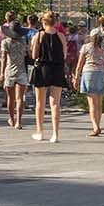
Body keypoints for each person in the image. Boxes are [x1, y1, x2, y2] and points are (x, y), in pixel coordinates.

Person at [29, 9, 72, 142]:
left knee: (40, 102)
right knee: (55, 103)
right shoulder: (61, 36)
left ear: (43, 22)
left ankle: (40, 131)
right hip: (57, 69)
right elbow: (64, 55)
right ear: (55, 22)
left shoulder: (39, 36)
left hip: (42, 69)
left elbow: (34, 55)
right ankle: (55, 134)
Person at [77, 22, 104, 137]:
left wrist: (76, 77)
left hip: (89, 73)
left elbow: (80, 64)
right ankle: (98, 124)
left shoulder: (86, 47)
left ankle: (95, 126)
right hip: (102, 74)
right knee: (99, 103)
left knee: (92, 103)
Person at [1, 13, 32, 130]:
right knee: (20, 98)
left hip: (9, 70)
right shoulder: (24, 42)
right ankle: (19, 121)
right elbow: (28, 54)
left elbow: (3, 58)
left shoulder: (6, 42)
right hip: (21, 70)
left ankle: (12, 119)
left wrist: (1, 72)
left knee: (10, 98)